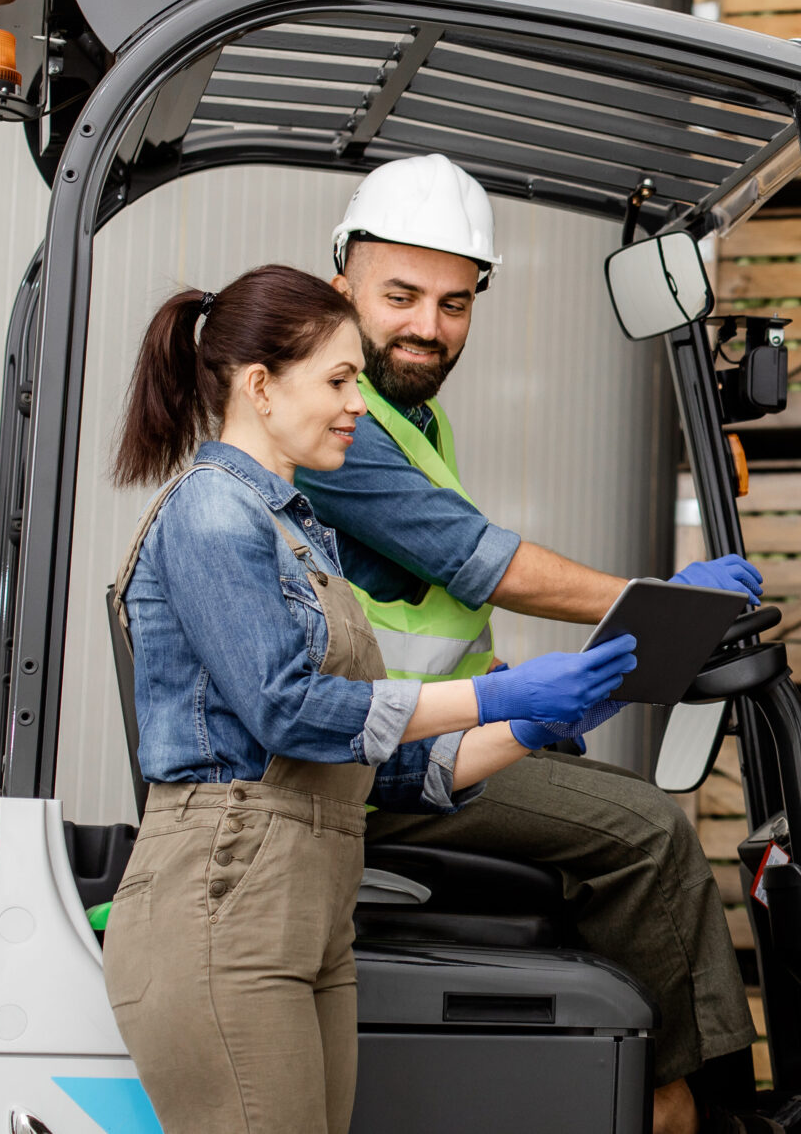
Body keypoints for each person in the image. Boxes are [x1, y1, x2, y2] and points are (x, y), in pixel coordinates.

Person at [101, 264, 638, 1134]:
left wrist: (527, 724)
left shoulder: (299, 533)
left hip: (309, 907)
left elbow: (370, 761)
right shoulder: (210, 514)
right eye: (339, 380)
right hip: (224, 902)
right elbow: (289, 711)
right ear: (261, 385)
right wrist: (488, 691)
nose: (359, 403)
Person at [292, 155, 761, 1134]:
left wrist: (507, 688)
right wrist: (657, 598)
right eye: (401, 295)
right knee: (647, 831)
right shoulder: (334, 422)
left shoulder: (410, 415)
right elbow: (477, 562)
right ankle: (681, 1105)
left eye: (454, 302)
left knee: (630, 819)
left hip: (423, 729)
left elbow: (418, 608)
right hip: (375, 761)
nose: (428, 324)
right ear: (342, 280)